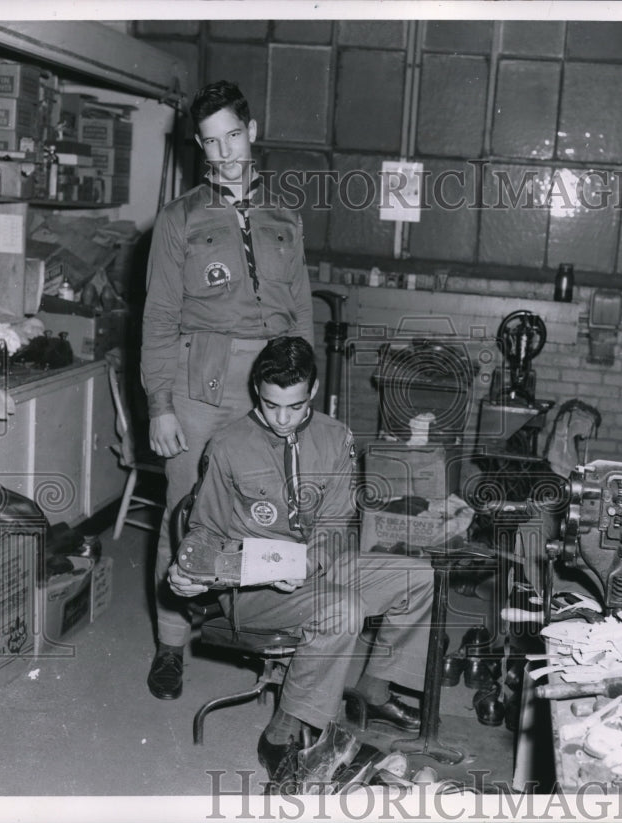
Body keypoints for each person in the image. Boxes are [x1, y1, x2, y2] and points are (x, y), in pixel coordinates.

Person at [168, 337, 434, 782]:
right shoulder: (229, 444)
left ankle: (375, 688)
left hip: (317, 567)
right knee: (342, 610)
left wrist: (310, 564)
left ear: (311, 391)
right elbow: (205, 529)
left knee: (419, 576)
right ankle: (281, 732)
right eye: (272, 406)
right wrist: (190, 569)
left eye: (294, 406)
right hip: (255, 590)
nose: (282, 418)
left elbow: (335, 523)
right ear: (257, 389)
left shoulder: (335, 438)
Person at [141, 80, 314, 700]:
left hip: (269, 389)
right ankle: (170, 642)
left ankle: (266, 639)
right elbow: (159, 316)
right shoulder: (178, 217)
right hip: (197, 384)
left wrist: (306, 394)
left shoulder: (285, 216)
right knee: (187, 514)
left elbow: (300, 311)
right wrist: (160, 404)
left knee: (270, 516)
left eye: (233, 136)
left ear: (252, 130)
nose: (224, 154)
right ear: (199, 146)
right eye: (210, 143)